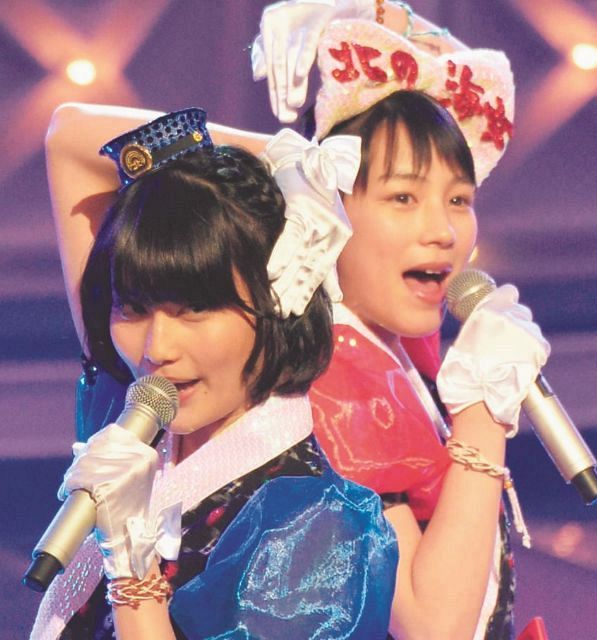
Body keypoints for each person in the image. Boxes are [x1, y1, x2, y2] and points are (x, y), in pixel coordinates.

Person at [31, 107, 398, 639]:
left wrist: (132, 567)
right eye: (133, 307)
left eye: (195, 309)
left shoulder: (319, 525)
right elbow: (67, 135)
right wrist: (279, 156)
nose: (157, 348)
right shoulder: (130, 406)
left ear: (275, 298)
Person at [251, 2, 551, 639]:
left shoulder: (392, 346)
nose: (443, 230)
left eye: (458, 199)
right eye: (403, 197)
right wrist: (485, 412)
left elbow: (461, 84)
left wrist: (381, 17)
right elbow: (431, 625)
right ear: (327, 204)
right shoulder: (333, 372)